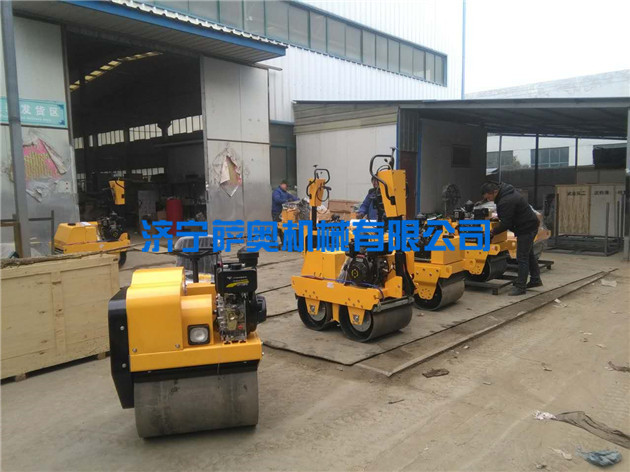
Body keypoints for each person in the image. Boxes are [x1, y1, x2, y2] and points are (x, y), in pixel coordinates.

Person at [481, 181, 542, 296]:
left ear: (495, 192)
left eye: (489, 197)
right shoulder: (506, 193)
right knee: (528, 254)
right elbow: (509, 215)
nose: (489, 200)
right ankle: (535, 279)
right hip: (529, 225)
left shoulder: (506, 200)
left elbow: (506, 223)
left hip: (526, 229)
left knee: (522, 257)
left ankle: (521, 287)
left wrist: (492, 232)